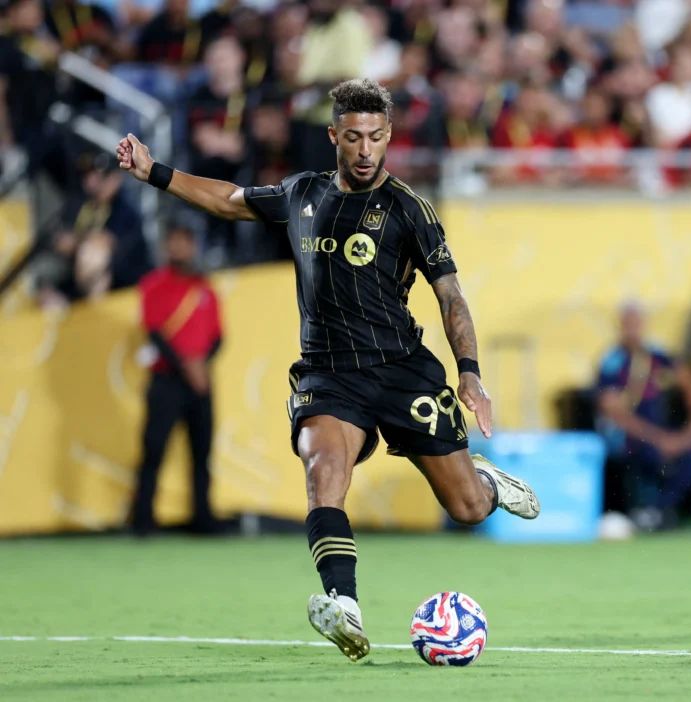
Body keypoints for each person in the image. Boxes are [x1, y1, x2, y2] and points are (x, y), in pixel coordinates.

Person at [115, 78, 539, 662]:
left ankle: (488, 482)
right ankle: (345, 605)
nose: (366, 150)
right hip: (327, 374)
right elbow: (229, 199)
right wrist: (155, 173)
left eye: (376, 138)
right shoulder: (301, 194)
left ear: (388, 136)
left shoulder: (409, 209)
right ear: (334, 135)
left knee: (466, 509)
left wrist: (469, 371)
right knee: (323, 469)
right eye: (354, 137)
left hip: (402, 371)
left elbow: (451, 296)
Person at [130, 225, 221, 537]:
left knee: (202, 452)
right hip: (167, 379)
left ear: (194, 246)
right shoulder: (153, 285)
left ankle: (203, 519)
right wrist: (188, 366)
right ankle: (142, 520)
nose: (179, 249)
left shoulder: (205, 287)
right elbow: (154, 332)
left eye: (185, 242)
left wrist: (201, 365)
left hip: (200, 380)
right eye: (174, 243)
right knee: (154, 448)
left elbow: (218, 336)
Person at [595, 303, 691, 530]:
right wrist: (660, 439)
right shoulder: (612, 362)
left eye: (636, 323)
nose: (632, 330)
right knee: (648, 455)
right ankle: (647, 511)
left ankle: (663, 509)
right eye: (628, 324)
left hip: (665, 431)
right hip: (631, 436)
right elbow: (613, 412)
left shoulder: (658, 356)